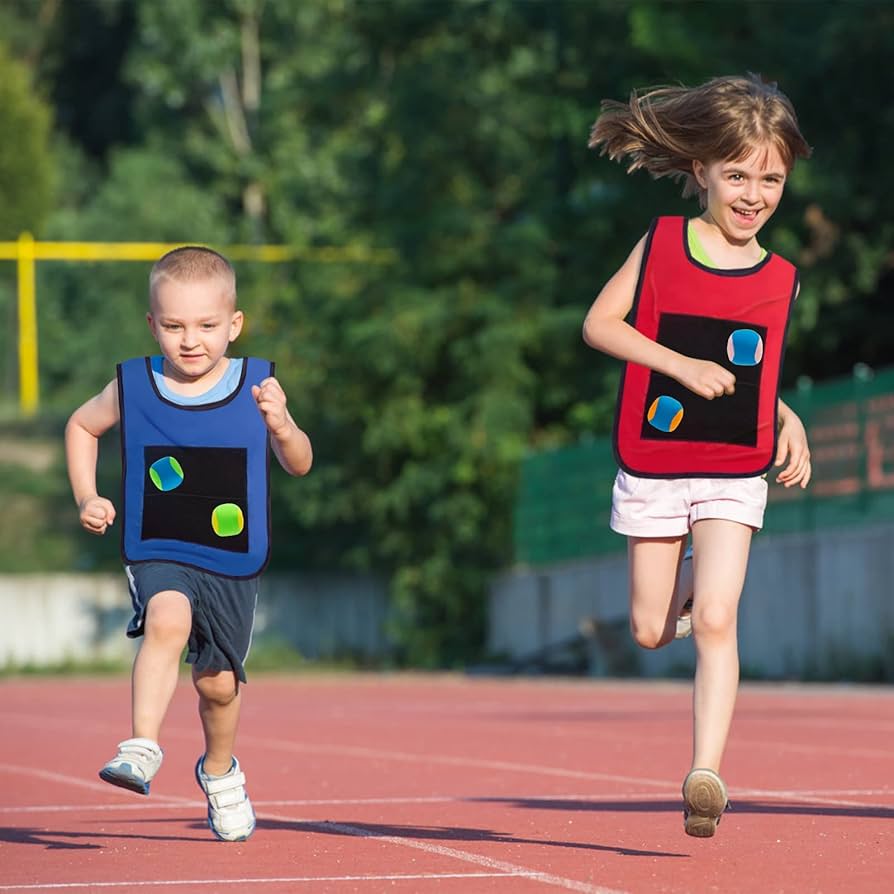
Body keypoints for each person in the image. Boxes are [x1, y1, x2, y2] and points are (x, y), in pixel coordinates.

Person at [582, 74, 812, 838]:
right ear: (702, 171)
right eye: (738, 174)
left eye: (770, 178)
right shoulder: (662, 244)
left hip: (733, 470)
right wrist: (678, 365)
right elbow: (600, 327)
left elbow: (755, 375)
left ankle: (705, 775)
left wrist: (790, 419)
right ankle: (675, 599)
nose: (754, 193)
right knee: (653, 629)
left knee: (718, 617)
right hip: (653, 463)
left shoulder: (780, 279)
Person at [65, 246, 312, 842]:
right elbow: (81, 424)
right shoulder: (133, 385)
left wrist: (283, 426)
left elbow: (299, 464)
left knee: (217, 686)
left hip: (231, 560)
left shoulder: (258, 387)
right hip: (162, 548)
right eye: (173, 326)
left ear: (234, 324)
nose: (190, 340)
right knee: (166, 621)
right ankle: (142, 745)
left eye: (206, 326)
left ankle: (220, 771)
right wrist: (85, 496)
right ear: (152, 324)